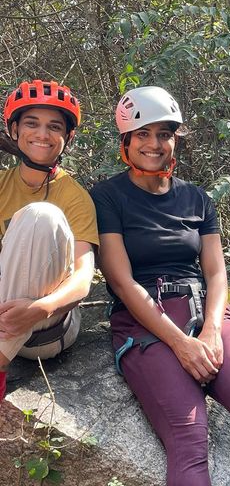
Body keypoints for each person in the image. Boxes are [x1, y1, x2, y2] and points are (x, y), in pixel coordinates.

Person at [90, 86, 230, 486]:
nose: (155, 144)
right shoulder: (107, 197)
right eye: (144, 134)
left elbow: (216, 273)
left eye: (165, 134)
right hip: (145, 325)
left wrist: (210, 330)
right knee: (189, 437)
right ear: (126, 141)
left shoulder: (196, 199)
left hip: (205, 310)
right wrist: (181, 343)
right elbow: (120, 281)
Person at [0, 79, 99, 402]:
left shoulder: (74, 196)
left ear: (66, 137)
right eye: (32, 123)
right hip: (6, 310)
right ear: (14, 130)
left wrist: (39, 309)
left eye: (54, 127)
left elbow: (83, 280)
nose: (42, 134)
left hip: (49, 325)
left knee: (42, 216)